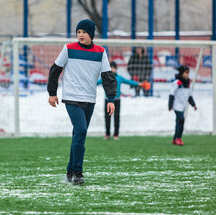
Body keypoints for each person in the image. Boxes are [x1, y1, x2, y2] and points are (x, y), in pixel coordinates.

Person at [47, 19, 117, 185]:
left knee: (77, 134)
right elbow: (55, 70)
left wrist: (111, 99)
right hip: (71, 97)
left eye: (84, 32)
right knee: (81, 130)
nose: (80, 35)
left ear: (91, 34)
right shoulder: (69, 48)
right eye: (78, 32)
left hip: (89, 98)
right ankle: (78, 172)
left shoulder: (100, 51)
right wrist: (52, 93)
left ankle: (70, 171)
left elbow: (108, 77)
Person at [98, 61, 144, 140]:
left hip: (117, 100)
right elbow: (96, 82)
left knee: (116, 117)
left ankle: (116, 134)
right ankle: (107, 134)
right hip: (108, 100)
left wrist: (139, 84)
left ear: (116, 69)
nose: (112, 70)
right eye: (111, 68)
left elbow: (129, 82)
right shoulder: (105, 77)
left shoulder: (119, 78)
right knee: (107, 117)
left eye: (113, 68)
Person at [168, 65, 197, 146]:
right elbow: (171, 94)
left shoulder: (188, 83)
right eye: (186, 73)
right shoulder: (177, 83)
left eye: (188, 73)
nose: (188, 74)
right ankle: (178, 138)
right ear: (181, 73)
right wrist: (170, 105)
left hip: (182, 106)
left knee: (178, 121)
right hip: (176, 106)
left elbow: (189, 96)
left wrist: (193, 104)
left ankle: (174, 139)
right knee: (181, 119)